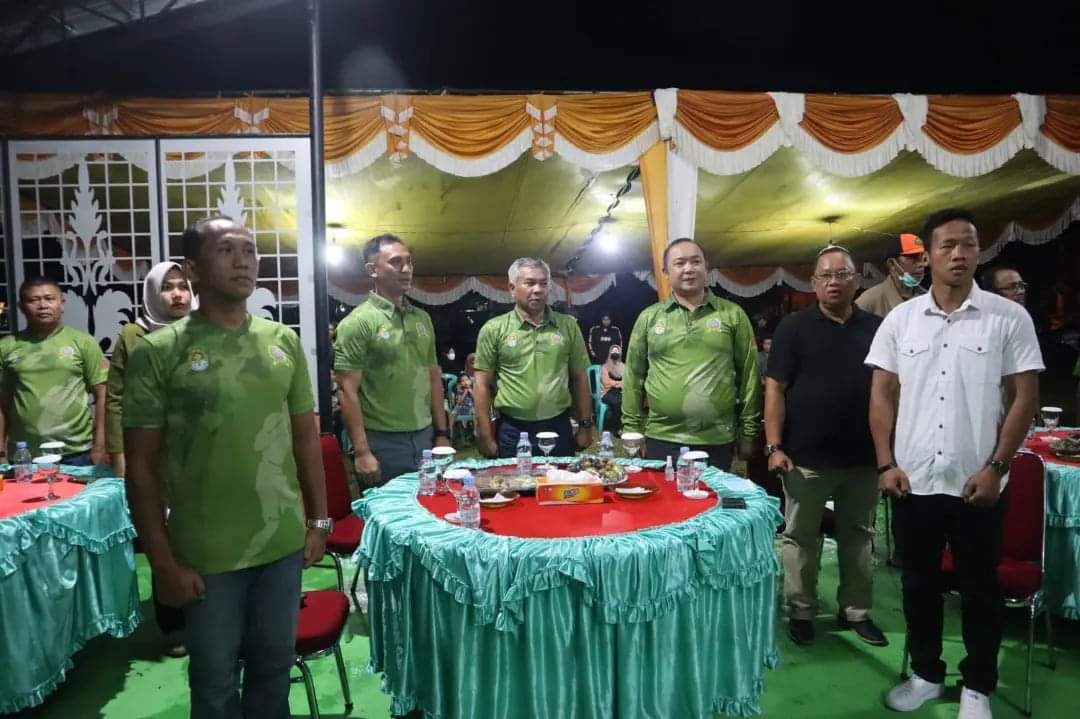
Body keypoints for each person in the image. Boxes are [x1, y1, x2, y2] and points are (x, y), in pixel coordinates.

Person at [123, 216, 330, 719]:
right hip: (206, 554)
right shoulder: (159, 351)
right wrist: (163, 564)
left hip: (280, 543)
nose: (243, 261)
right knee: (214, 685)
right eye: (226, 250)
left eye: (250, 250)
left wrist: (319, 521)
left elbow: (306, 437)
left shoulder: (281, 340)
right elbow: (141, 468)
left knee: (273, 672)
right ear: (193, 269)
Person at [867, 209, 1043, 719]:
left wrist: (997, 467)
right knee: (918, 585)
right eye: (946, 245)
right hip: (914, 480)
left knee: (979, 589)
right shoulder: (901, 321)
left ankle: (977, 686)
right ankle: (926, 673)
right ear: (927, 256)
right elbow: (881, 394)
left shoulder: (1007, 318)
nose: (959, 254)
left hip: (978, 481)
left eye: (968, 244)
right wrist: (885, 463)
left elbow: (1024, 397)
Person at [765, 245, 885, 647]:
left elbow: (891, 390)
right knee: (800, 537)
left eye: (842, 274)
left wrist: (888, 454)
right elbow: (775, 389)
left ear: (857, 280)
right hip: (804, 457)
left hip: (863, 457)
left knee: (860, 535)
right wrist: (774, 446)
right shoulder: (793, 328)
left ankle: (856, 611)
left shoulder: (877, 328)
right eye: (826, 275)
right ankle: (800, 610)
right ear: (814, 283)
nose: (834, 282)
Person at [105, 260, 194, 658]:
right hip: (151, 450)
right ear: (153, 292)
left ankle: (208, 613)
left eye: (183, 286)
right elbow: (116, 397)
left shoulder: (203, 329)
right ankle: (173, 625)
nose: (177, 294)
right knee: (163, 537)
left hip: (196, 449)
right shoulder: (134, 334)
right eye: (167, 287)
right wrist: (119, 453)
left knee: (202, 534)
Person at [622, 238, 760, 471]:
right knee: (663, 496)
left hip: (716, 437)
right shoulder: (649, 318)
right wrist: (631, 429)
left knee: (712, 496)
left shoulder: (732, 315)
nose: (688, 269)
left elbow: (749, 376)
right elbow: (633, 377)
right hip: (661, 436)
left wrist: (749, 431)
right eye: (679, 263)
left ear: (707, 267)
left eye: (696, 262)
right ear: (666, 272)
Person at [334, 234, 450, 486]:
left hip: (426, 436)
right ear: (372, 270)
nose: (406, 269)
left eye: (409, 262)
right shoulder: (358, 323)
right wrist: (362, 451)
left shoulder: (422, 319)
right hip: (382, 442)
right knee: (390, 508)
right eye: (396, 262)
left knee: (431, 504)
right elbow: (346, 390)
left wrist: (442, 432)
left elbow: (433, 376)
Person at [473, 257, 593, 458]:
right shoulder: (494, 329)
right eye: (529, 283)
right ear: (512, 288)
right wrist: (484, 433)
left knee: (560, 478)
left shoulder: (568, 326)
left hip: (559, 426)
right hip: (513, 430)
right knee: (516, 479)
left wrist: (585, 425)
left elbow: (580, 377)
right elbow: (481, 384)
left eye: (543, 283)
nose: (538, 290)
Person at [0, 276, 108, 465]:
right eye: (33, 300)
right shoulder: (7, 346)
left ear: (62, 303)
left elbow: (104, 394)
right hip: (25, 453)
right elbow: (2, 402)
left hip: (77, 452)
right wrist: (1, 451)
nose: (43, 305)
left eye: (49, 299)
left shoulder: (83, 342)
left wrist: (100, 445)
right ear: (21, 307)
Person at [856, 233, 928, 318]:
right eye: (911, 258)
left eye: (922, 258)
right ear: (892, 264)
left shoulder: (928, 298)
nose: (921, 264)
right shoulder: (869, 301)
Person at [600, 344, 625, 432]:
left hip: (620, 392)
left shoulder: (623, 367)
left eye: (617, 352)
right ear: (610, 353)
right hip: (607, 392)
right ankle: (615, 428)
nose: (615, 354)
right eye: (613, 352)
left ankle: (624, 426)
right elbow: (606, 383)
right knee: (617, 402)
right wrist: (618, 383)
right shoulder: (605, 367)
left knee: (625, 400)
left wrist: (615, 383)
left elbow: (626, 382)